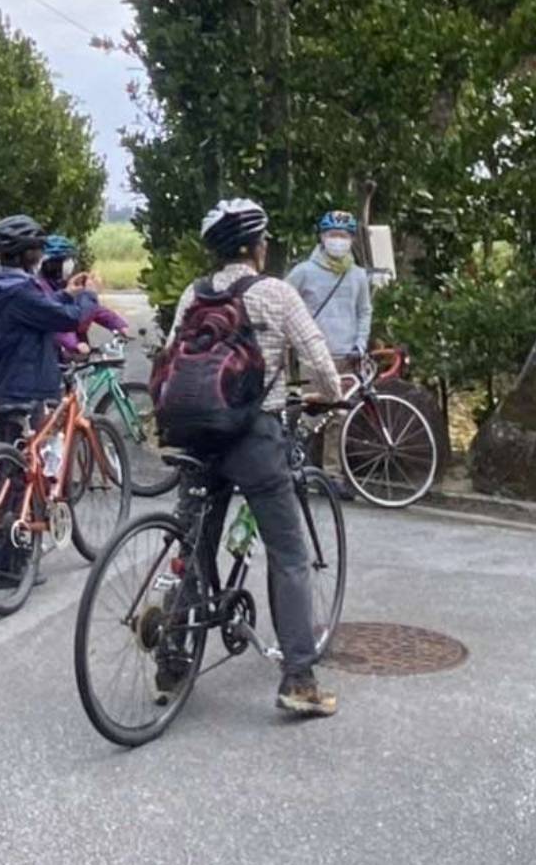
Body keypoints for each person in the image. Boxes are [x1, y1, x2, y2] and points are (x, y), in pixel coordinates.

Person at [167, 198, 348, 718]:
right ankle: (299, 678)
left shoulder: (192, 293)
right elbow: (317, 357)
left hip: (196, 437)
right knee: (289, 555)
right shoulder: (275, 293)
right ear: (255, 247)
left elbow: (174, 356)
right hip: (253, 437)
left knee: (195, 546)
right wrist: (333, 394)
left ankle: (172, 658)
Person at [0, 214, 101, 589]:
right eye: (37, 247)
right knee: (24, 475)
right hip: (29, 386)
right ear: (28, 254)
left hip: (2, 384)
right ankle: (12, 565)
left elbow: (40, 307)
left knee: (8, 469)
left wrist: (67, 292)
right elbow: (63, 319)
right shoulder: (23, 292)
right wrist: (89, 297)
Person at [285, 210, 372, 373]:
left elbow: (364, 311)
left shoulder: (358, 275)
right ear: (323, 237)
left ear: (352, 239)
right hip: (311, 358)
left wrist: (360, 344)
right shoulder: (303, 272)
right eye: (333, 234)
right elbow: (283, 305)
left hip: (349, 358)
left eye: (343, 236)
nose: (337, 240)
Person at [37, 235, 129, 360]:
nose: (71, 265)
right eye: (67, 260)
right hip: (51, 356)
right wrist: (74, 344)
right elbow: (56, 322)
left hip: (75, 352)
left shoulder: (66, 284)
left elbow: (92, 309)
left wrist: (117, 324)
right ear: (55, 264)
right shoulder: (40, 288)